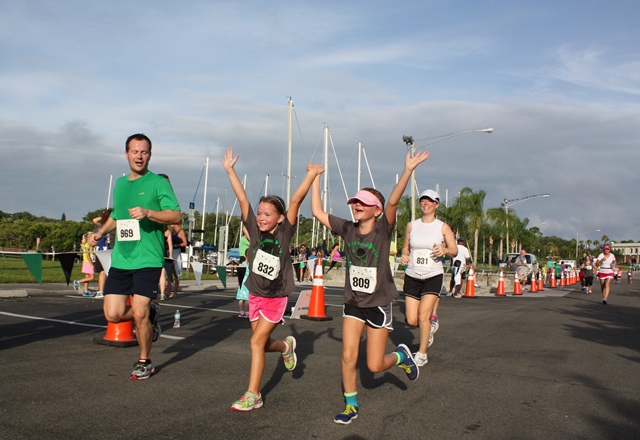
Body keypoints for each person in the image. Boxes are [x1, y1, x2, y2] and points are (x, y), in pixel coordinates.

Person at [310, 150, 429, 425]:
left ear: (377, 209)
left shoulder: (383, 229)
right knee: (348, 354)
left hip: (377, 304)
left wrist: (407, 170)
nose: (356, 206)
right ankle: (351, 404)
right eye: (355, 202)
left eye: (363, 203)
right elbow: (317, 212)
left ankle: (400, 356)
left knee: (374, 366)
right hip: (353, 303)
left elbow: (395, 201)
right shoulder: (347, 228)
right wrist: (315, 177)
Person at [222, 148, 317, 412]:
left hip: (276, 297)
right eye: (260, 213)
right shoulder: (253, 229)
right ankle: (286, 346)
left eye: (267, 214)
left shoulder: (285, 233)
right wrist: (230, 170)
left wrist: (310, 176)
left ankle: (254, 394)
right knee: (262, 344)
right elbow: (242, 200)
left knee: (254, 343)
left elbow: (296, 201)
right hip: (255, 294)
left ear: (280, 218)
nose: (261, 218)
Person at [89, 133, 181, 380]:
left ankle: (145, 361)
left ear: (150, 155)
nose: (139, 156)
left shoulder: (158, 183)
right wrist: (99, 232)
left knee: (138, 313)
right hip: (122, 259)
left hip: (148, 259)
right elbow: (117, 217)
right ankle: (151, 316)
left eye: (144, 152)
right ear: (126, 154)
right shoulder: (120, 185)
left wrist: (149, 212)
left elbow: (176, 216)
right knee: (113, 314)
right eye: (135, 151)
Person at [400, 189, 457, 367]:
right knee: (412, 319)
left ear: (436, 205)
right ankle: (428, 329)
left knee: (423, 316)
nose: (426, 204)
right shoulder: (412, 225)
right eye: (423, 200)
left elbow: (454, 249)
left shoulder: (442, 227)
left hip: (433, 274)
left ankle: (422, 353)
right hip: (412, 274)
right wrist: (404, 255)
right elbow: (406, 247)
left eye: (430, 201)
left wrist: (445, 250)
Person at [92, 209, 114, 299]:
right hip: (111, 249)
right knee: (110, 270)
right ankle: (108, 289)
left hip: (100, 250)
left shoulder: (99, 227)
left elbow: (95, 220)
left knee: (102, 271)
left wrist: (104, 216)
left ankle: (101, 290)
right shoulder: (113, 227)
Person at [168, 223, 188, 298]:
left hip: (176, 252)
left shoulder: (181, 231)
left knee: (176, 272)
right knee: (169, 271)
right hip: (170, 252)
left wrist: (176, 245)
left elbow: (185, 243)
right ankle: (168, 291)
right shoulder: (172, 232)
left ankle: (175, 292)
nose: (170, 224)